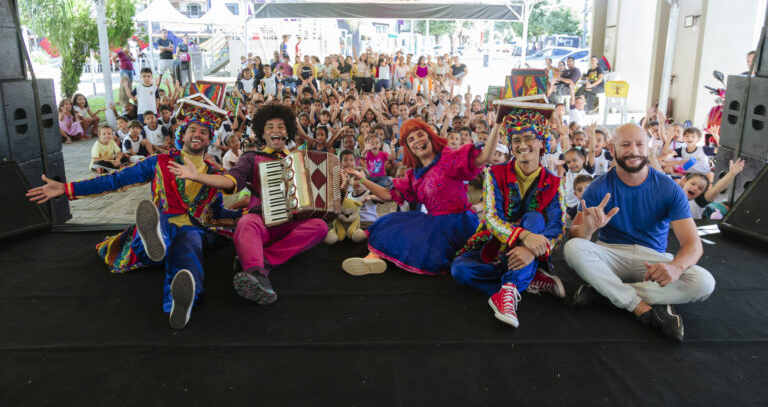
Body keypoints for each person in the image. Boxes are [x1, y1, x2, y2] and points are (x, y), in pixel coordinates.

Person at [26, 99, 240, 329]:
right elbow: (116, 180)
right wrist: (67, 189)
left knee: (189, 253)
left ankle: (181, 302)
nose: (198, 134)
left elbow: (219, 209)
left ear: (210, 139)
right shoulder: (159, 161)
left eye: (204, 132)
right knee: (159, 224)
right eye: (192, 130)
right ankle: (154, 240)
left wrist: (248, 214)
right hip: (163, 219)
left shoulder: (215, 172)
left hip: (192, 229)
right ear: (182, 134)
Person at [167, 103, 343, 306]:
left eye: (281, 126)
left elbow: (327, 200)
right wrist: (197, 176)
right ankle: (256, 272)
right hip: (261, 224)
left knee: (320, 227)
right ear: (261, 132)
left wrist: (340, 186)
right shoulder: (251, 158)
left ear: (288, 132)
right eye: (270, 127)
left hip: (291, 227)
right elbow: (230, 181)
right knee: (246, 221)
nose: (276, 130)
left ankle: (259, 265)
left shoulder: (302, 160)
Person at [564, 123, 716, 342]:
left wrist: (676, 267)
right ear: (612, 149)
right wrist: (589, 228)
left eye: (639, 144)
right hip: (611, 255)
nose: (633, 150)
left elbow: (693, 243)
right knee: (573, 248)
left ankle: (605, 293)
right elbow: (576, 237)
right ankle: (639, 306)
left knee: (704, 282)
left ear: (648, 148)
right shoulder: (597, 186)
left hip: (653, 259)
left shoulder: (669, 187)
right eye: (625, 145)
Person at [451, 105, 566, 328]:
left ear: (542, 142)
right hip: (497, 244)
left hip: (533, 245)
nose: (522, 145)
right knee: (459, 270)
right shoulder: (494, 173)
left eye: (529, 138)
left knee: (535, 219)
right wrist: (523, 236)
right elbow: (492, 218)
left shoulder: (554, 182)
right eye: (516, 141)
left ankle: (509, 290)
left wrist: (530, 248)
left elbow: (558, 227)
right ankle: (529, 278)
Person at [341, 117, 501, 277]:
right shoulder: (413, 176)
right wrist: (362, 178)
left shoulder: (449, 158)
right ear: (408, 147)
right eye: (411, 139)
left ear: (430, 137)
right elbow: (385, 194)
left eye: (420, 135)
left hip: (459, 225)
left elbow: (485, 157)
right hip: (434, 224)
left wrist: (499, 122)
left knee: (427, 249)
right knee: (390, 222)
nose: (416, 140)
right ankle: (372, 259)